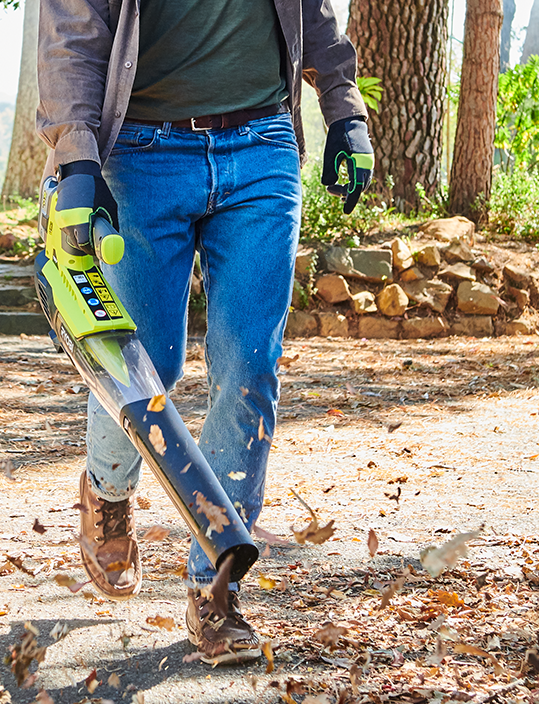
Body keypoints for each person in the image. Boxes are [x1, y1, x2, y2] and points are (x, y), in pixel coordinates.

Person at [36, 0, 375, 665]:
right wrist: (77, 160)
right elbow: (72, 33)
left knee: (249, 366)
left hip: (262, 149)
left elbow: (314, 13)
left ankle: (214, 586)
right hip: (140, 153)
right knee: (139, 368)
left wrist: (345, 111)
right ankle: (107, 491)